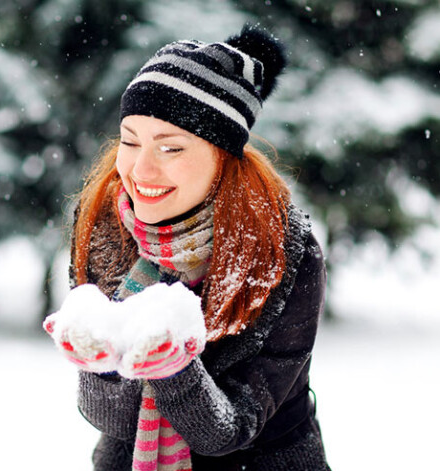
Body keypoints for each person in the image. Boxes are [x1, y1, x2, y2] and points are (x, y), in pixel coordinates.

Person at [44, 24, 331, 471]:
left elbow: (230, 430)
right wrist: (98, 364)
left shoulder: (284, 253)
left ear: (223, 156)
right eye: (130, 140)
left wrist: (173, 366)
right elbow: (115, 422)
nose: (140, 169)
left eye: (171, 148)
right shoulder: (103, 225)